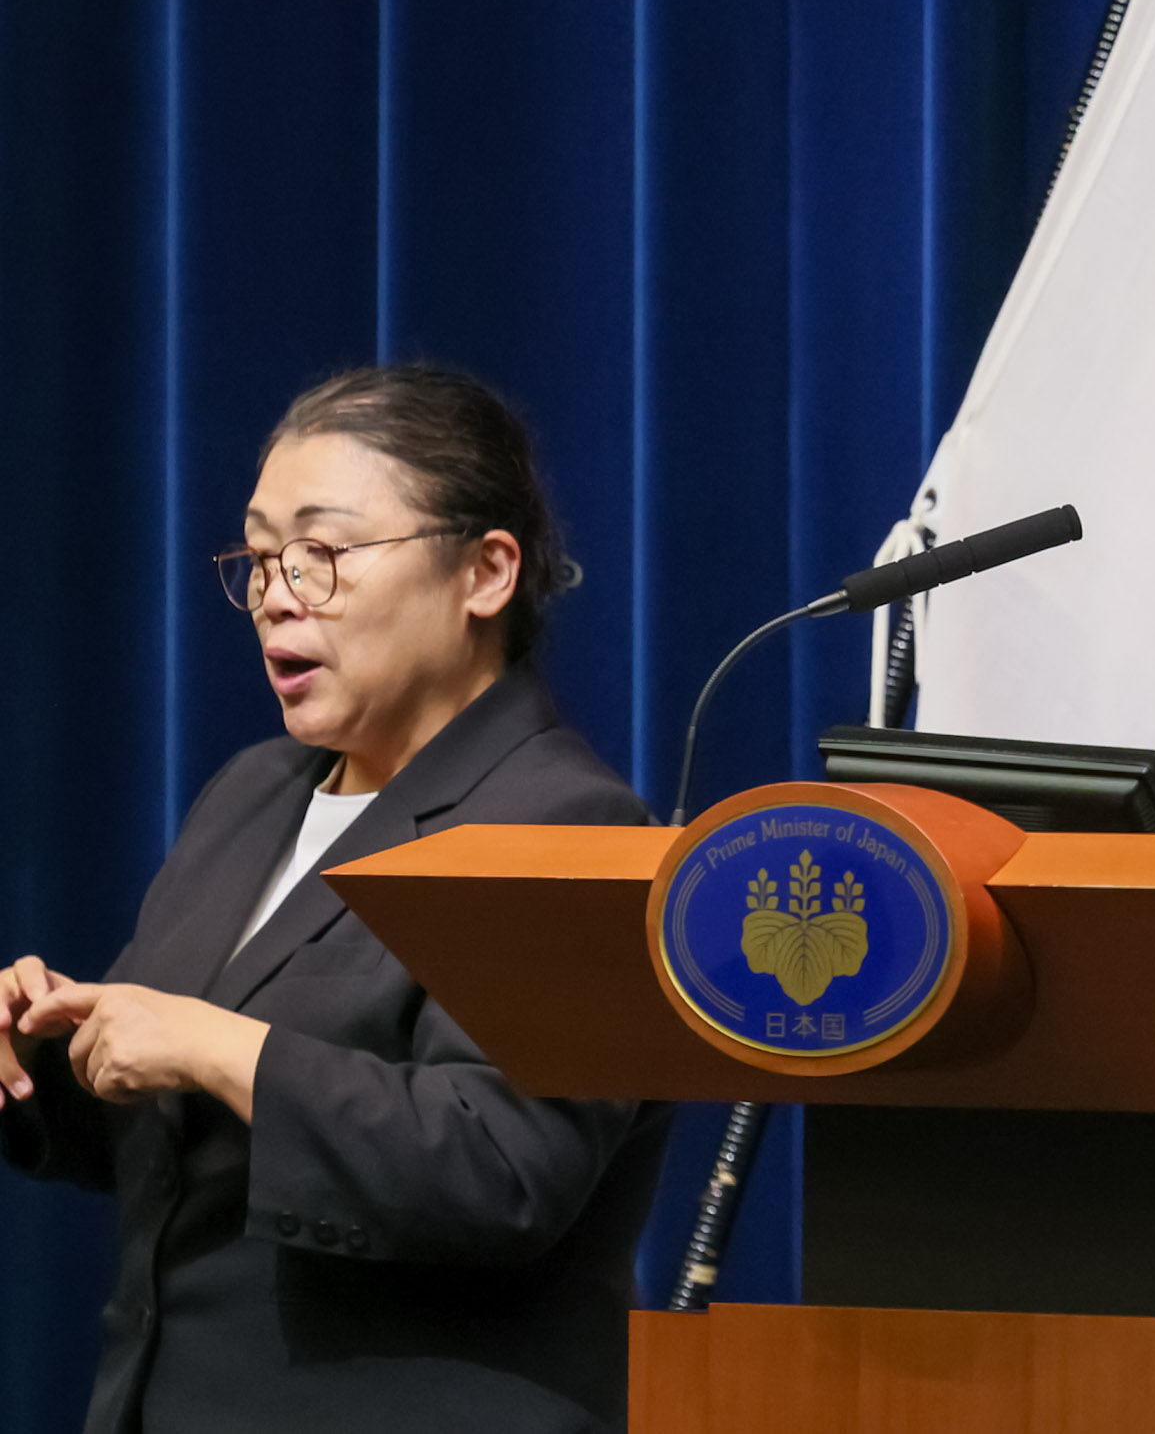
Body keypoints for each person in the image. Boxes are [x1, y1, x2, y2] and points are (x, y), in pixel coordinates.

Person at [0, 365, 669, 1434]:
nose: (276, 591)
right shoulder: (253, 793)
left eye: (323, 553)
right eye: (261, 557)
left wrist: (220, 1047)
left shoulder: (569, 825)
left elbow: (503, 1170)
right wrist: (40, 1053)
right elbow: (175, 1130)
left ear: (486, 572)